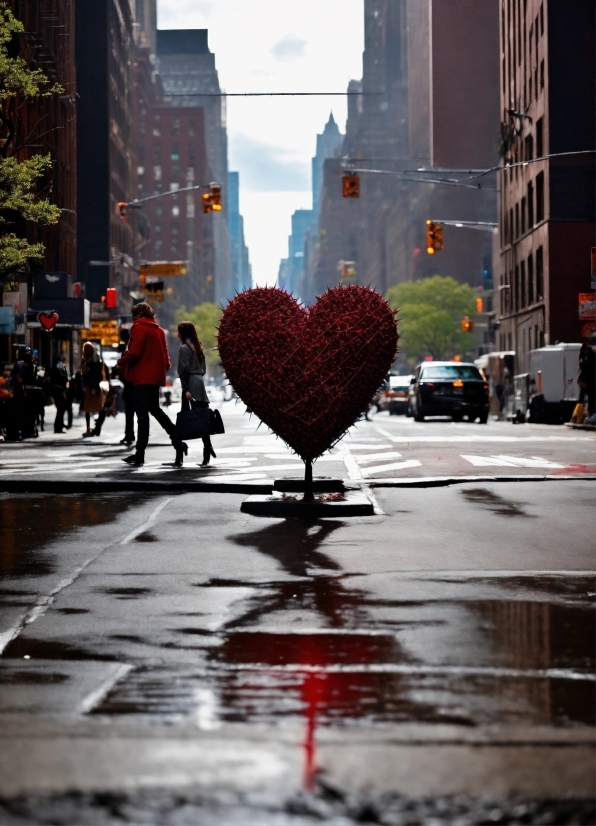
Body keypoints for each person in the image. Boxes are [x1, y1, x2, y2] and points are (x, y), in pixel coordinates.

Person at [116, 302, 186, 466]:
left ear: (138, 315)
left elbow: (135, 352)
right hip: (154, 379)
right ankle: (178, 442)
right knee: (156, 411)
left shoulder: (138, 327)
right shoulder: (159, 331)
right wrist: (158, 370)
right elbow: (166, 359)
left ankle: (140, 454)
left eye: (134, 315)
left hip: (140, 378)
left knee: (142, 416)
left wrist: (120, 361)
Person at [177, 321, 217, 468]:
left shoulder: (184, 348)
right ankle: (207, 451)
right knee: (202, 418)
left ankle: (179, 456)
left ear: (184, 333)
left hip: (190, 384)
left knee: (183, 418)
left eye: (179, 331)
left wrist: (186, 388)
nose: (177, 335)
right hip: (200, 383)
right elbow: (204, 369)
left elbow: (183, 370)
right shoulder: (197, 346)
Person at [81, 342, 108, 437]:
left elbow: (84, 375)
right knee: (100, 409)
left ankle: (89, 429)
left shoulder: (85, 362)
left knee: (88, 409)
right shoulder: (98, 362)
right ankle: (97, 428)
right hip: (96, 387)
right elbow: (102, 376)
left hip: (89, 387)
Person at [49, 354, 69, 433]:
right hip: (60, 390)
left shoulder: (53, 367)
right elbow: (65, 378)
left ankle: (58, 425)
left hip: (55, 390)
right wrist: (65, 390)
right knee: (61, 408)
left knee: (60, 409)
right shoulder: (61, 367)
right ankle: (58, 426)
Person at [578, 342, 595, 421]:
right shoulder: (587, 355)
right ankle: (589, 414)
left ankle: (590, 414)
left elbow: (585, 368)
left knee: (589, 397)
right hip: (589, 381)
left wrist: (581, 379)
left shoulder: (589, 356)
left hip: (590, 381)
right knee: (588, 397)